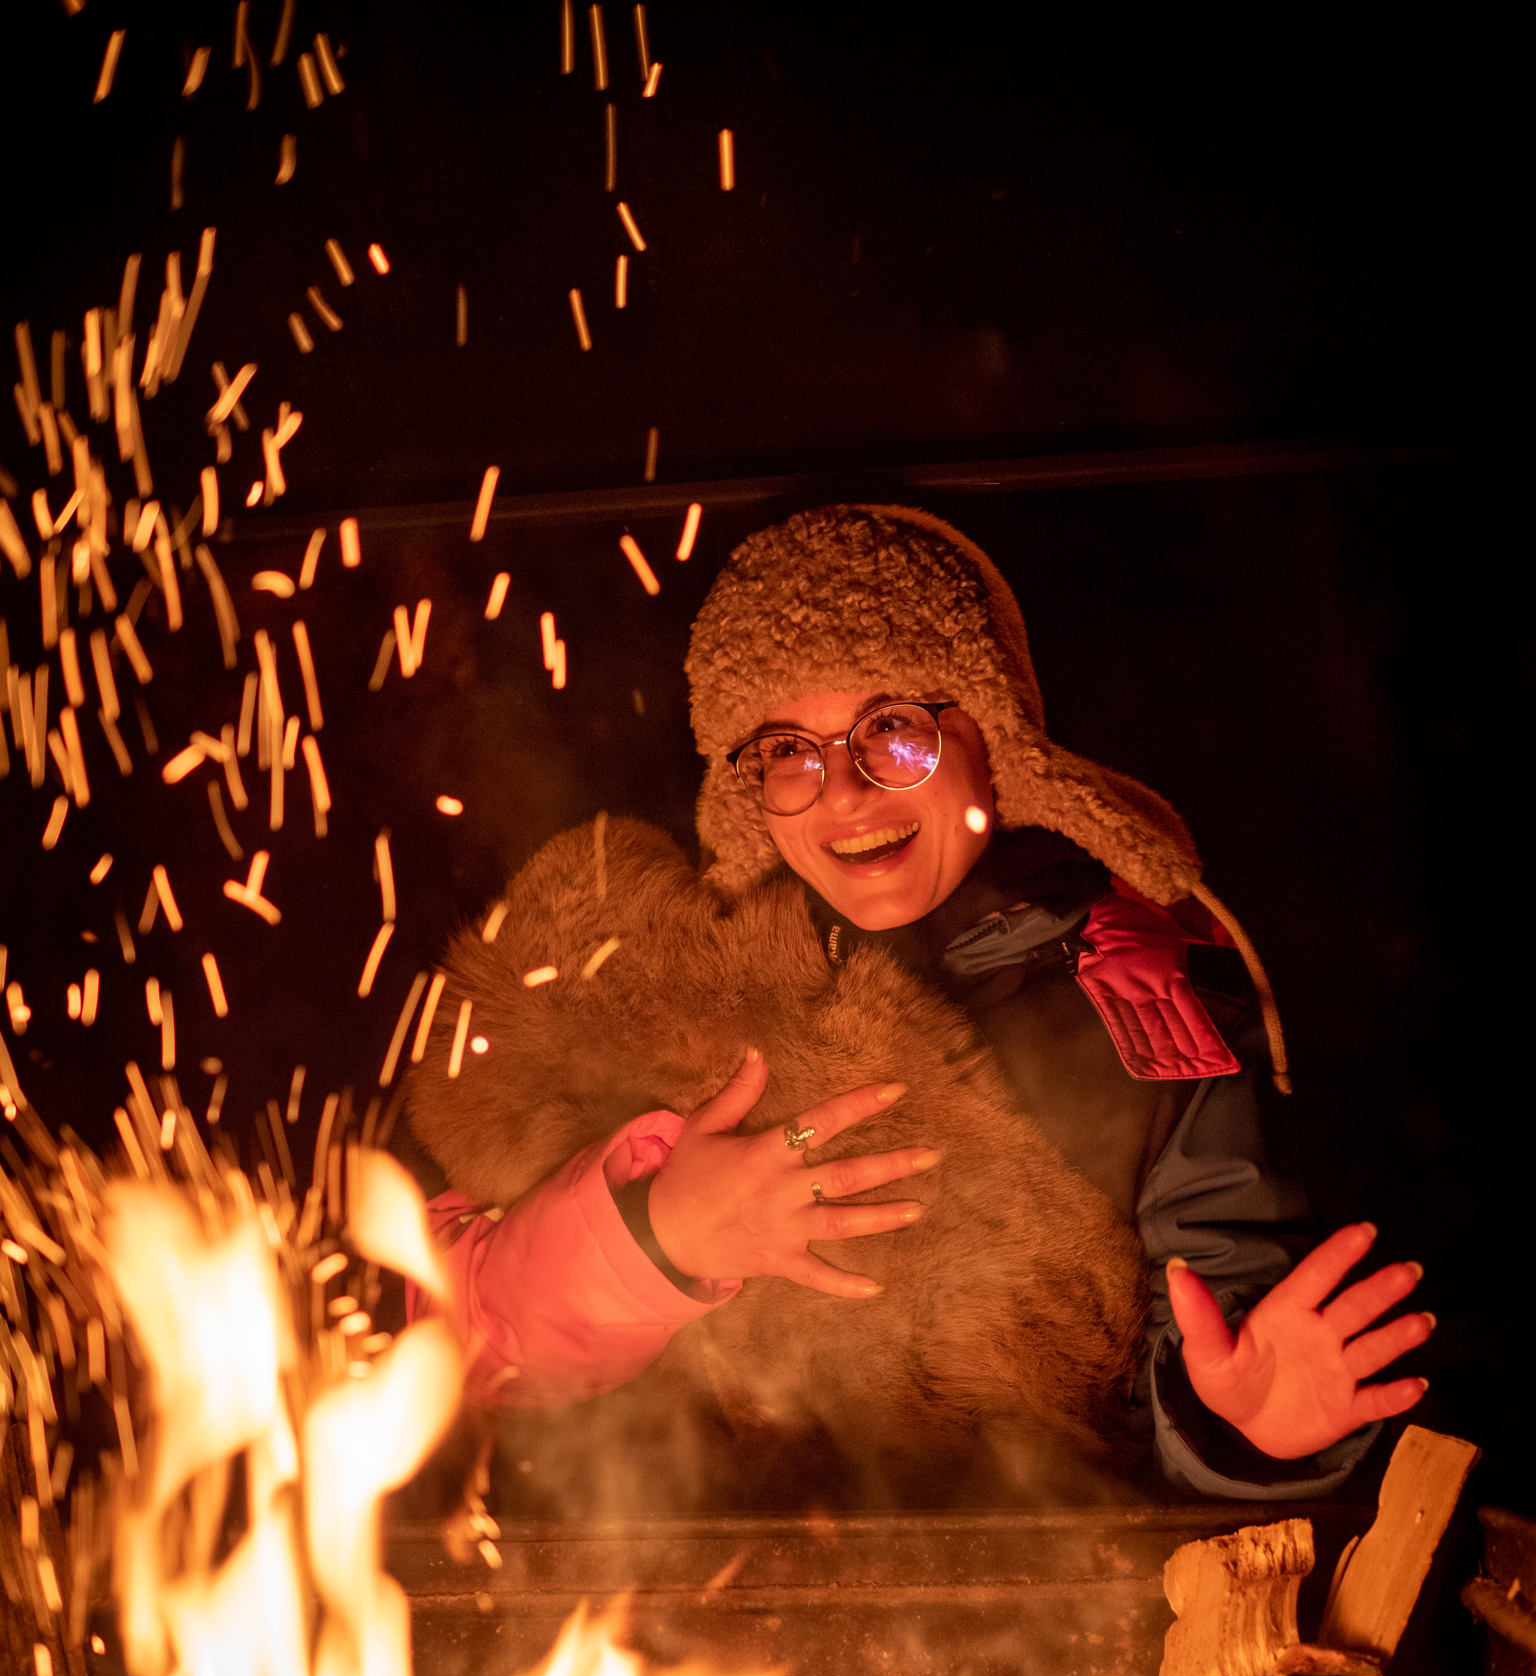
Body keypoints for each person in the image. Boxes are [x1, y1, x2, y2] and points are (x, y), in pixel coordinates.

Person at [408, 505, 1431, 1505]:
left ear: (992, 736)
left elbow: (1221, 1352)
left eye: (892, 732)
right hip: (679, 1615)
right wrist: (656, 1236)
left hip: (1021, 1623)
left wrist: (1241, 1428)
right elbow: (444, 1345)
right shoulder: (649, 977)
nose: (845, 792)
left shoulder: (1133, 1000)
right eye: (788, 750)